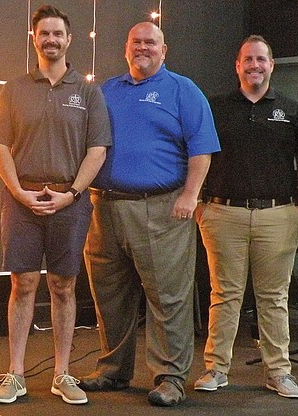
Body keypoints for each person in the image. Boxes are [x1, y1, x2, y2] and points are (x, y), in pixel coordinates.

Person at [78, 21, 220, 407]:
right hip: (104, 206)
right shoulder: (106, 91)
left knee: (168, 297)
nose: (143, 48)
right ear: (126, 49)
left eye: (150, 43)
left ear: (164, 49)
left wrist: (190, 196)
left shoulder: (182, 90)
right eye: (136, 42)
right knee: (109, 293)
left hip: (160, 207)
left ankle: (170, 377)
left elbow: (201, 148)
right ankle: (112, 369)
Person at [0, 4, 112, 406]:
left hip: (69, 201)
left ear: (69, 40)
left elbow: (97, 150)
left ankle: (62, 374)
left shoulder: (88, 91)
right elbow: (0, 146)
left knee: (63, 285)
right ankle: (17, 374)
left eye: (58, 34)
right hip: (21, 200)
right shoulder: (14, 88)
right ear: (34, 39)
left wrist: (71, 193)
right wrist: (19, 193)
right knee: (23, 284)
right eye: (45, 34)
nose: (51, 40)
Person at [193, 35, 298, 399]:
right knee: (224, 294)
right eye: (248, 59)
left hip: (279, 213)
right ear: (237, 66)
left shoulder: (292, 111)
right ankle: (215, 369)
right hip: (222, 212)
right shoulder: (215, 108)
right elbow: (198, 155)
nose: (254, 65)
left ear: (272, 65)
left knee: (274, 297)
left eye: (261, 59)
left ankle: (278, 371)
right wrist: (199, 204)